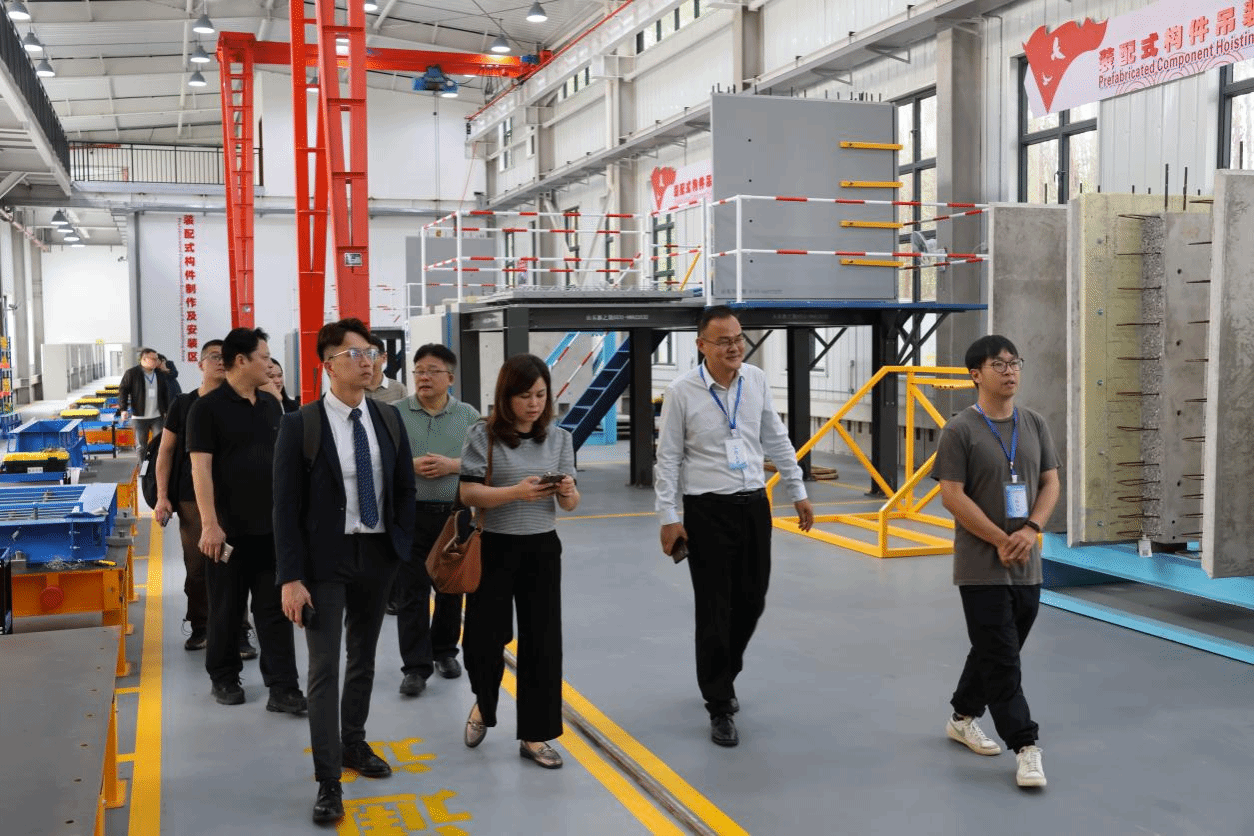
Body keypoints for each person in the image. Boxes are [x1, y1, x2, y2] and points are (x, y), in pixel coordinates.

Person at [273, 318, 416, 825]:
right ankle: (328, 779)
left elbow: (404, 487)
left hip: (377, 555)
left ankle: (354, 742)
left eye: (371, 353)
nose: (368, 362)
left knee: (364, 658)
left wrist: (400, 547)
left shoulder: (388, 418)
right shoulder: (301, 425)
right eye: (355, 354)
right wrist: (291, 578)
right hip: (324, 563)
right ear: (328, 365)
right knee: (323, 668)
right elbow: (285, 508)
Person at [654, 305, 815, 748]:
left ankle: (724, 672)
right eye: (723, 341)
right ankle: (719, 703)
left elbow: (775, 436)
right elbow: (668, 459)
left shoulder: (755, 380)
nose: (734, 347)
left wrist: (797, 489)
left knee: (751, 601)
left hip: (753, 506)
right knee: (714, 608)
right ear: (702, 345)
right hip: (706, 510)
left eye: (738, 338)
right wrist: (669, 518)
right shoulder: (681, 392)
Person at [934, 335, 1060, 789]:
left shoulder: (1034, 423)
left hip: (1026, 562)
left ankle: (962, 716)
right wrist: (1000, 538)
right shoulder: (959, 430)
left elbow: (1050, 482)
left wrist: (1030, 530)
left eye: (1014, 363)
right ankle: (1025, 745)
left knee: (996, 648)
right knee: (1003, 657)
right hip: (980, 565)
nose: (1010, 371)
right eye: (998, 364)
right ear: (976, 374)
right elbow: (952, 495)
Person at [458, 354, 578, 771]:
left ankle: (535, 733)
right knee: (482, 640)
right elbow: (469, 493)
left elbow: (571, 504)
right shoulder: (482, 435)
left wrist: (566, 491)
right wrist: (515, 493)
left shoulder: (560, 438)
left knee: (542, 643)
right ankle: (484, 702)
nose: (534, 404)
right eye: (525, 396)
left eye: (541, 395)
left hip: (542, 549)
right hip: (494, 547)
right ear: (506, 396)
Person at [186, 327, 304, 714]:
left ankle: (283, 687)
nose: (269, 365)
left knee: (275, 610)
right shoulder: (206, 409)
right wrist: (209, 524)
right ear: (241, 360)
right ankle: (224, 677)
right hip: (227, 533)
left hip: (271, 531)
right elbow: (200, 470)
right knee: (226, 607)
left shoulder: (270, 404)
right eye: (263, 357)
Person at [393, 344, 479, 697]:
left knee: (450, 589)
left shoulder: (468, 415)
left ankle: (444, 651)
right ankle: (415, 667)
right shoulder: (396, 413)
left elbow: (485, 462)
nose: (423, 377)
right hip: (410, 515)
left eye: (432, 371)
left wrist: (451, 465)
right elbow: (379, 460)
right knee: (411, 593)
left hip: (453, 516)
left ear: (450, 378)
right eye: (418, 371)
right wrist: (408, 465)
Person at [118, 347, 173, 461]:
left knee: (159, 444)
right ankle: (143, 468)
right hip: (139, 417)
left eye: (157, 359)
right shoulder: (132, 373)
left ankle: (155, 467)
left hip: (157, 416)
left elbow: (165, 394)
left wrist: (167, 411)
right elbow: (123, 390)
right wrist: (123, 409)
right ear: (144, 359)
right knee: (141, 446)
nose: (157, 361)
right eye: (154, 359)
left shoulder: (159, 374)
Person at [364, 333, 406, 404]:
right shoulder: (353, 389)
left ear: (384, 357)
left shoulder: (399, 390)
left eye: (372, 355)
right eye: (362, 355)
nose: (367, 361)